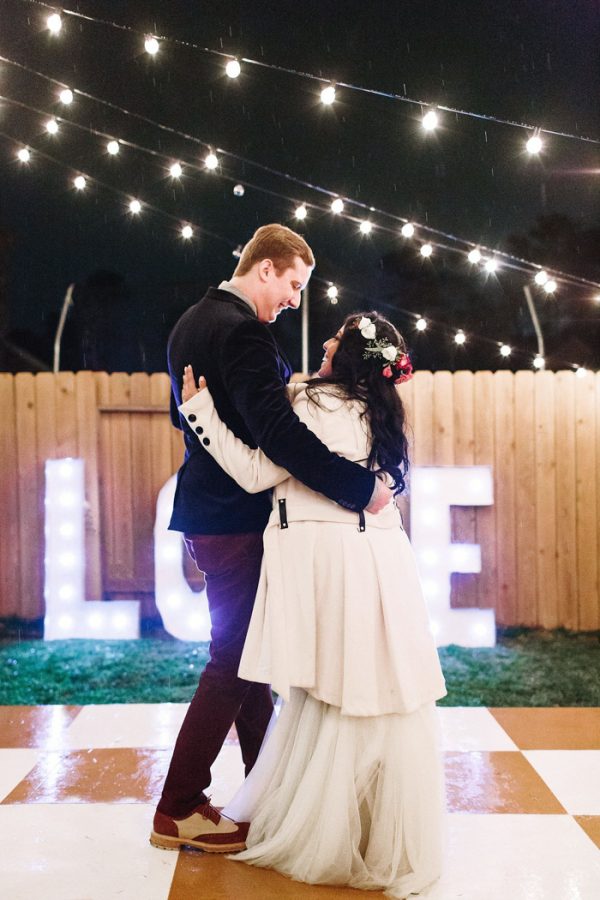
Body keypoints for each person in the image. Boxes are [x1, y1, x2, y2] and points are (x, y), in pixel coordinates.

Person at [178, 312, 447, 897]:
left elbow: (254, 472)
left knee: (331, 688)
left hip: (332, 559)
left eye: (336, 338)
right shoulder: (373, 410)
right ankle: (370, 831)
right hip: (378, 558)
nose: (325, 341)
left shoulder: (315, 407)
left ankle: (321, 833)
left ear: (348, 356)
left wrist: (199, 412)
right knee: (374, 692)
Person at [151, 226, 393, 852]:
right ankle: (178, 806)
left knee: (250, 662)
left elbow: (212, 422)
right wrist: (358, 487)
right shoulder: (243, 332)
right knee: (234, 663)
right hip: (234, 521)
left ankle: (271, 793)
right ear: (264, 269)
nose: (293, 299)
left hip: (213, 517)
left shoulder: (190, 324)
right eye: (292, 284)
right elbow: (278, 437)